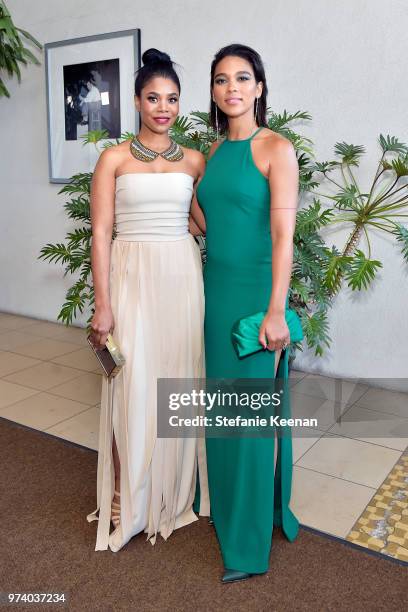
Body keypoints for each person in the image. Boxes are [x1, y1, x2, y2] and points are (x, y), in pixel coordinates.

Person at [87, 48, 210, 552]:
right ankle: (123, 495)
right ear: (137, 102)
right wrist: (103, 302)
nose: (164, 107)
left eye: (172, 99)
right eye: (154, 98)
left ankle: (169, 490)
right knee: (131, 386)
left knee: (175, 380)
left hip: (181, 273)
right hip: (130, 275)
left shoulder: (194, 159)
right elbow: (99, 233)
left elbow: (202, 223)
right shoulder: (113, 158)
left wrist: (180, 219)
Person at [193, 44, 300, 582]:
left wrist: (276, 309)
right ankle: (228, 514)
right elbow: (205, 219)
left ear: (259, 86)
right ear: (213, 91)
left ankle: (248, 542)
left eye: (242, 78)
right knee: (224, 414)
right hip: (216, 299)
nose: (231, 87)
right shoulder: (212, 152)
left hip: (257, 300)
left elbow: (284, 234)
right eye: (220, 80)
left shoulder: (275, 148)